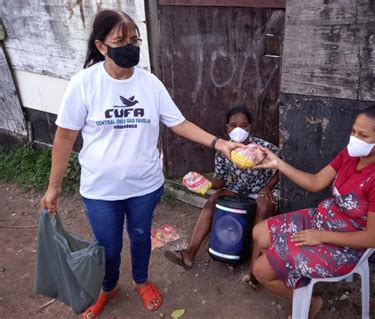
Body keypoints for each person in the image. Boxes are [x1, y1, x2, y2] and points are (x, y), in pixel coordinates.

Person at [39, 9, 241, 319]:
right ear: (102, 46)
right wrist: (53, 188)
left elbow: (180, 123)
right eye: (121, 40)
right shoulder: (84, 84)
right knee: (107, 246)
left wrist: (221, 143)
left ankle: (141, 280)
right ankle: (108, 287)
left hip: (145, 185)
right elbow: (65, 137)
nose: (130, 46)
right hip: (100, 189)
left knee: (140, 237)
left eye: (135, 39)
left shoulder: (150, 84)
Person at [251, 105, 375, 318]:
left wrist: (321, 236)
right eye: (353, 131)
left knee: (260, 270)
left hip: (346, 244)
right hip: (322, 219)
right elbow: (315, 182)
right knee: (259, 233)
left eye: (363, 135)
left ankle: (312, 302)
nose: (354, 139)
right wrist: (279, 164)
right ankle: (290, 269)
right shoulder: (350, 155)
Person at [165, 106, 280, 289]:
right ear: (227, 128)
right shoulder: (223, 150)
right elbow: (221, 179)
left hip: (261, 189)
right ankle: (189, 253)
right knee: (212, 201)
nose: (238, 129)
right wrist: (208, 183)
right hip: (235, 189)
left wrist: (267, 188)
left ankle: (253, 271)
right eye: (233, 125)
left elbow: (281, 168)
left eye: (243, 125)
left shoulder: (263, 148)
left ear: (250, 127)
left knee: (263, 208)